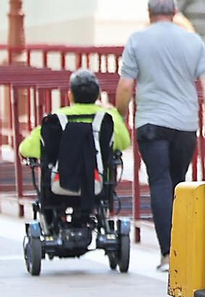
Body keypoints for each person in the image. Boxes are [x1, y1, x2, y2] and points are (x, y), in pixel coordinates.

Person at [116, 0, 205, 272]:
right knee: (178, 183)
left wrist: (120, 115)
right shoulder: (193, 40)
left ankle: (167, 254)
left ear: (149, 12)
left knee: (159, 182)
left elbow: (124, 86)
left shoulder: (137, 40)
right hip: (184, 124)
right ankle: (183, 251)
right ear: (175, 10)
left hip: (151, 122)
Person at [21, 69, 132, 213]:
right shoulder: (108, 118)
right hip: (97, 186)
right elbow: (124, 142)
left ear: (70, 96)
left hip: (58, 187)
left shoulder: (56, 119)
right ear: (98, 95)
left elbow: (26, 149)